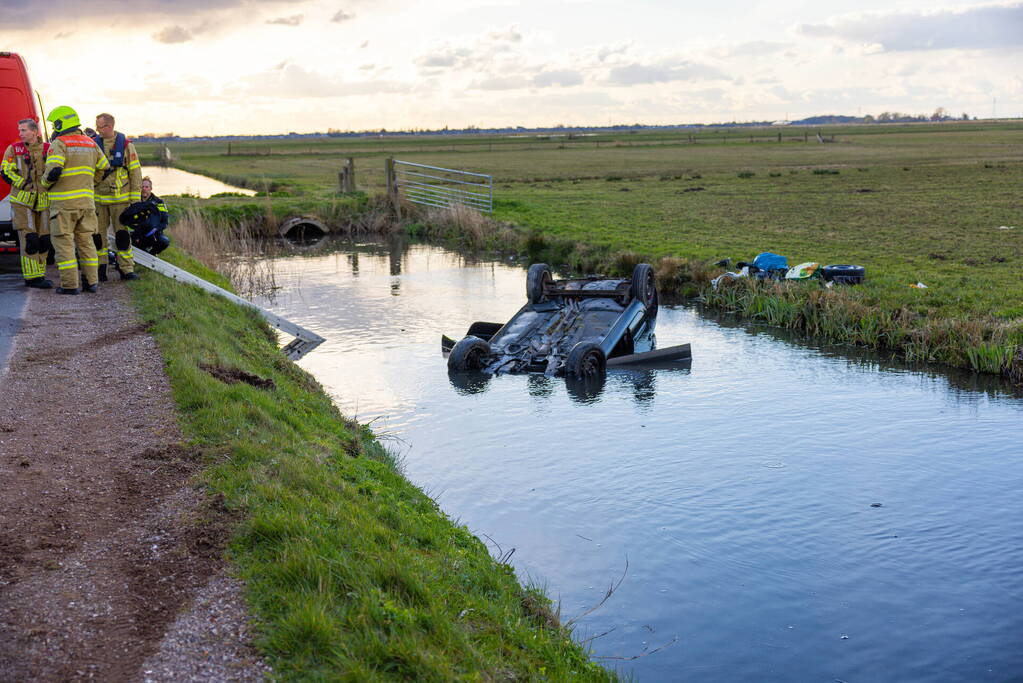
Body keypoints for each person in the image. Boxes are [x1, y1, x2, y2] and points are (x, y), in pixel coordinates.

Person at [40, 105, 109, 294]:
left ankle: (70, 285)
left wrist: (44, 184)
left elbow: (54, 171)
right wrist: (90, 183)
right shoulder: (90, 143)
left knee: (64, 244)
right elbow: (105, 167)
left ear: (62, 123)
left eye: (55, 124)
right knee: (86, 243)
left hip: (64, 205)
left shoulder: (59, 143)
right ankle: (91, 283)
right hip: (86, 204)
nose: (54, 127)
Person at [0, 118, 52, 288]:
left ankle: (40, 274)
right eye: (19, 130)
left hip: (44, 202)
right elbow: (5, 170)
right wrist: (23, 184)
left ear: (34, 132)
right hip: (22, 203)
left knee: (44, 240)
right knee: (30, 240)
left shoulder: (48, 149)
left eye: (23, 130)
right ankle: (32, 278)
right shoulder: (14, 149)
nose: (20, 133)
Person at [92, 112, 141, 280]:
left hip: (121, 200)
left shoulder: (126, 145)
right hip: (98, 200)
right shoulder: (93, 145)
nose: (98, 130)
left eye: (100, 127)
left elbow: (135, 173)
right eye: (97, 126)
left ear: (110, 126)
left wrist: (135, 200)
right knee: (98, 236)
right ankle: (100, 268)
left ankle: (126, 269)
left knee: (122, 236)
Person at [119, 176, 170, 255]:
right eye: (142, 187)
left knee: (164, 241)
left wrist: (155, 229)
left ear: (151, 188)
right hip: (135, 233)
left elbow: (165, 222)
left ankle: (152, 254)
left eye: (146, 187)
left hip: (152, 234)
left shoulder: (159, 202)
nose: (144, 189)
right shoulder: (134, 201)